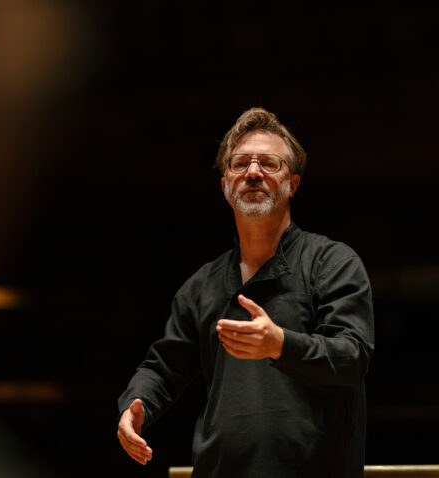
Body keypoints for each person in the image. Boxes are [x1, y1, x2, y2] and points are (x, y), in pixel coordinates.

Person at [116, 108, 375, 478]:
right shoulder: (201, 285)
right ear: (225, 186)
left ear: (292, 184)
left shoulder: (331, 263)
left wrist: (280, 343)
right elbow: (164, 366)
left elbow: (352, 356)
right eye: (240, 164)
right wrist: (134, 405)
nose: (253, 173)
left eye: (269, 163)